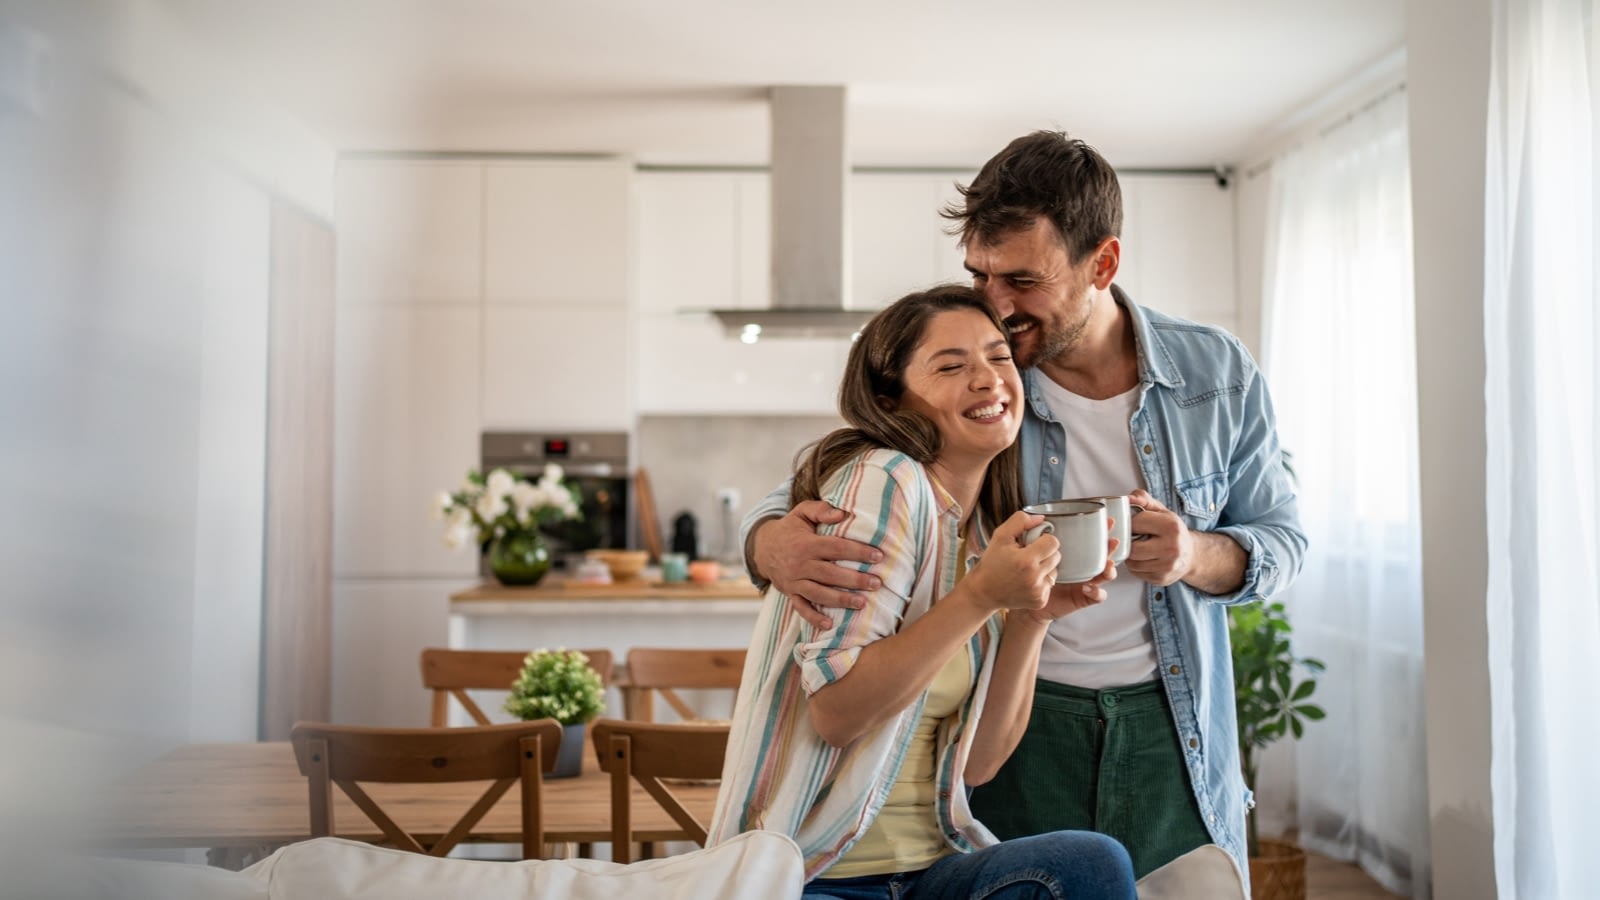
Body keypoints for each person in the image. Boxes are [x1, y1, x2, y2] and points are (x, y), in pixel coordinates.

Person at [740, 131, 1307, 880]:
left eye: (1022, 280)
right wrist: (769, 545)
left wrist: (1193, 554)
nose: (996, 307)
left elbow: (1283, 541)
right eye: (979, 274)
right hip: (1014, 720)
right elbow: (815, 487)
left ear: (1102, 263)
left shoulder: (1215, 372)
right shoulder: (987, 381)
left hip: (1171, 720)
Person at [708, 285, 1137, 900]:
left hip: (932, 870)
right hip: (815, 875)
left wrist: (1031, 618)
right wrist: (980, 598)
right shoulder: (885, 479)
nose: (988, 379)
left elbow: (981, 763)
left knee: (1091, 864)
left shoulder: (983, 528)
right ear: (891, 400)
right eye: (952, 366)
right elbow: (837, 713)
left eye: (997, 357)